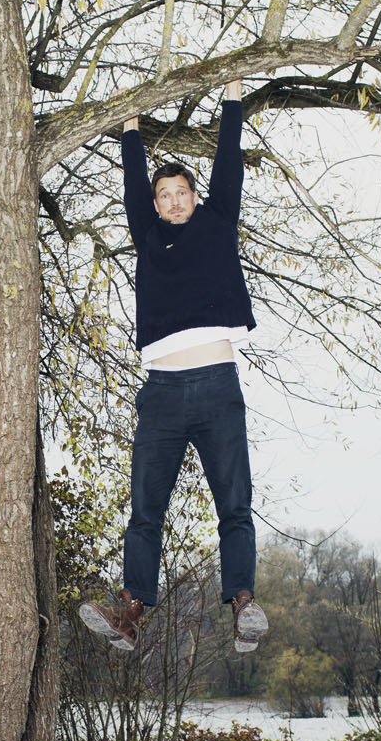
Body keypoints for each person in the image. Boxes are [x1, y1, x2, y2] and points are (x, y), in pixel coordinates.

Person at [80, 79, 268, 656]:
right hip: (161, 391)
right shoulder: (147, 235)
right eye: (163, 195)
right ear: (156, 204)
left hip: (216, 386)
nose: (173, 201)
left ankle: (243, 603)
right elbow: (131, 183)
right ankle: (131, 610)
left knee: (233, 502)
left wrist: (232, 98)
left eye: (181, 191)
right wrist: (130, 127)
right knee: (145, 509)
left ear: (194, 195)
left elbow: (229, 164)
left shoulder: (217, 223)